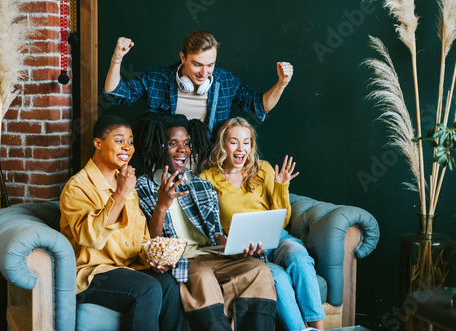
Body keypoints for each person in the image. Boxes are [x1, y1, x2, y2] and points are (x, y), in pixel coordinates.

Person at [134, 114, 277, 331]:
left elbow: (215, 234)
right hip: (180, 260)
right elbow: (152, 241)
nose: (183, 150)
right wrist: (161, 205)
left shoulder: (202, 186)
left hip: (211, 254)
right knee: (202, 276)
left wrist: (235, 248)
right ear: (157, 148)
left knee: (258, 269)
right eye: (173, 144)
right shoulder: (143, 186)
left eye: (187, 144)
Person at [60, 115, 186, 331]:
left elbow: (140, 238)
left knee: (169, 284)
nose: (127, 147)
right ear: (98, 143)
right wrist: (120, 194)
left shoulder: (125, 182)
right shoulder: (77, 187)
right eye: (119, 140)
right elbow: (91, 238)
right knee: (147, 288)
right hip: (92, 274)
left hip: (128, 267)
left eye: (130, 141)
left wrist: (153, 260)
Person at [199, 117, 325, 331]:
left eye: (246, 142)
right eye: (234, 142)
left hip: (277, 237)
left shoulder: (264, 169)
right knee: (278, 277)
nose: (241, 149)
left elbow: (283, 220)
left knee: (300, 258)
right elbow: (208, 226)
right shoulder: (207, 178)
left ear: (252, 145)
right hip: (244, 247)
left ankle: (319, 328)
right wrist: (231, 245)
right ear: (223, 144)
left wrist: (281, 186)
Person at [103, 30, 294, 132]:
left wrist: (282, 83)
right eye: (197, 64)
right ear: (183, 57)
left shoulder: (225, 81)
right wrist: (117, 58)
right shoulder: (156, 78)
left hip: (210, 167)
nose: (204, 72)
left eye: (210, 65)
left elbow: (261, 106)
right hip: (165, 164)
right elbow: (113, 95)